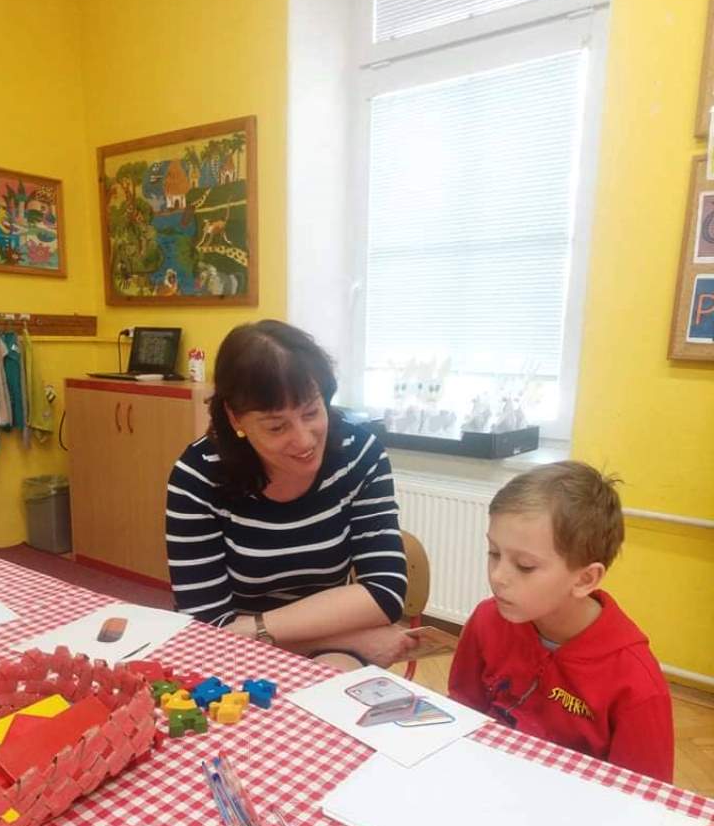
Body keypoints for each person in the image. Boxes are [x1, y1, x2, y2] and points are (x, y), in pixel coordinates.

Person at [166, 319, 417, 667]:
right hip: (233, 655)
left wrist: (253, 629)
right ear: (236, 419)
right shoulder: (198, 476)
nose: (303, 440)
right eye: (276, 426)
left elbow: (384, 592)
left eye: (312, 412)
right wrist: (350, 639)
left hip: (268, 636)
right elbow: (208, 629)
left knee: (334, 688)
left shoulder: (359, 455)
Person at [448, 461, 674, 782]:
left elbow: (644, 797)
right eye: (494, 553)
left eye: (525, 566)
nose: (497, 576)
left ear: (584, 579)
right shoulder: (487, 619)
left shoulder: (635, 683)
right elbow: (462, 714)